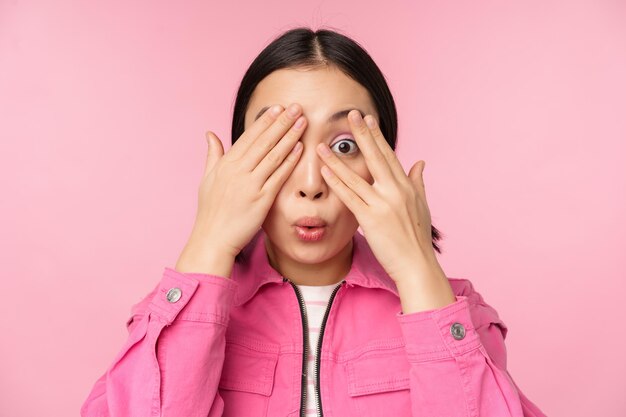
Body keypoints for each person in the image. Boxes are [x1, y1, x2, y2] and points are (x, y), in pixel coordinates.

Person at [80, 27, 548, 417]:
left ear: (383, 161)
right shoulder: (179, 314)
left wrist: (416, 268)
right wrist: (209, 242)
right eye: (281, 143)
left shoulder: (451, 310)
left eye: (344, 146)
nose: (310, 183)